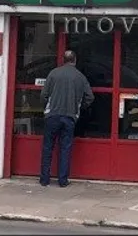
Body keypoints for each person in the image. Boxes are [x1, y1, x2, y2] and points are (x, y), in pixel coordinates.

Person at [39, 49, 93, 187]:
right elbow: (90, 97)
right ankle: (63, 180)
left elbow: (44, 95)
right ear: (75, 60)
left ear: (63, 60)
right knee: (65, 149)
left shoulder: (53, 73)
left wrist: (46, 109)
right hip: (69, 117)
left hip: (52, 116)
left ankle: (44, 179)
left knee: (47, 148)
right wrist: (79, 108)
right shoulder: (80, 77)